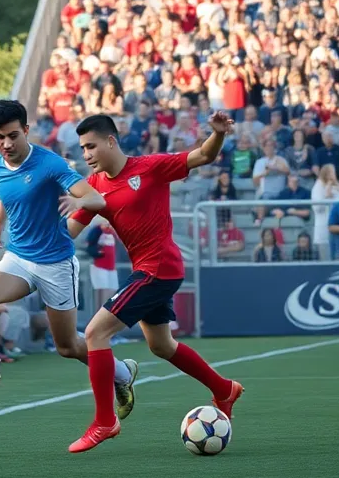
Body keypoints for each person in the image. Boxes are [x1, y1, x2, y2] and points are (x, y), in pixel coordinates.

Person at [65, 110, 242, 454]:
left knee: (95, 333)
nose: (85, 155)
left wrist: (218, 133)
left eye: (90, 147)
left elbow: (203, 155)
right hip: (151, 269)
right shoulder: (96, 186)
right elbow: (70, 231)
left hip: (158, 268)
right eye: (82, 149)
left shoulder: (151, 166)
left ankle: (104, 422)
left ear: (111, 141)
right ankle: (223, 388)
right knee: (161, 345)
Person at [0, 101, 137, 408]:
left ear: (26, 131)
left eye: (13, 136)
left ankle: (122, 373)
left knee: (67, 346)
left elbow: (95, 198)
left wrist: (78, 202)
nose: (6, 143)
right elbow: (5, 194)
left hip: (55, 263)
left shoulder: (50, 164)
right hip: (18, 257)